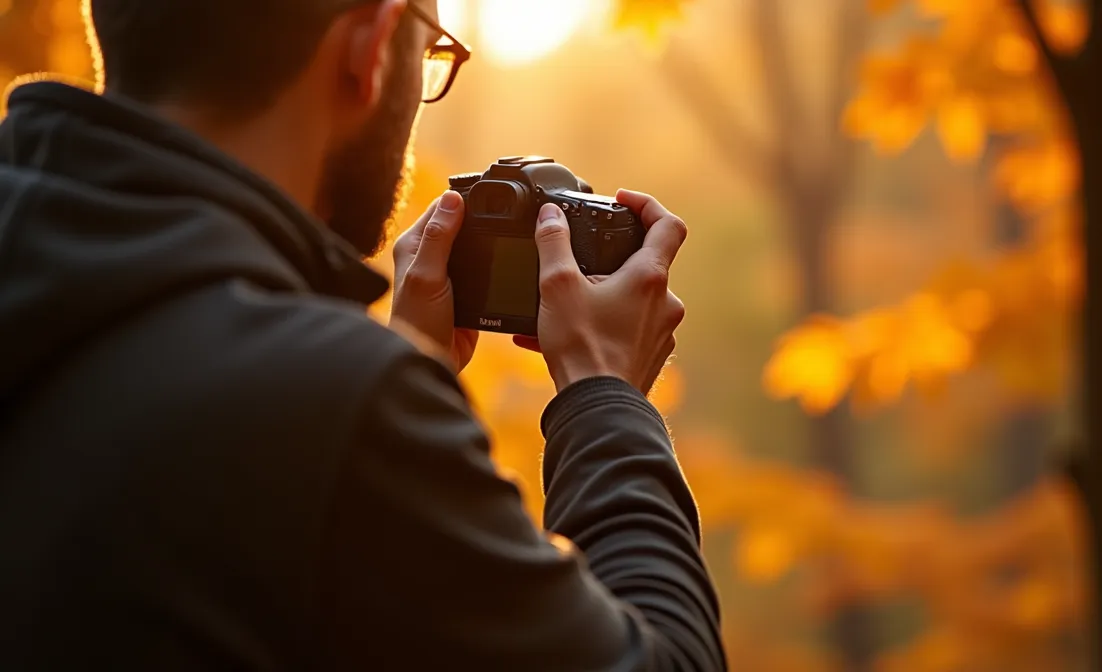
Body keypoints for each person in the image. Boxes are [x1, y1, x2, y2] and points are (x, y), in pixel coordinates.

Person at [0, 0, 725, 670]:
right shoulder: (330, 411)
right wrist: (606, 397)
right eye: (430, 51)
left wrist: (397, 378)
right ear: (371, 47)